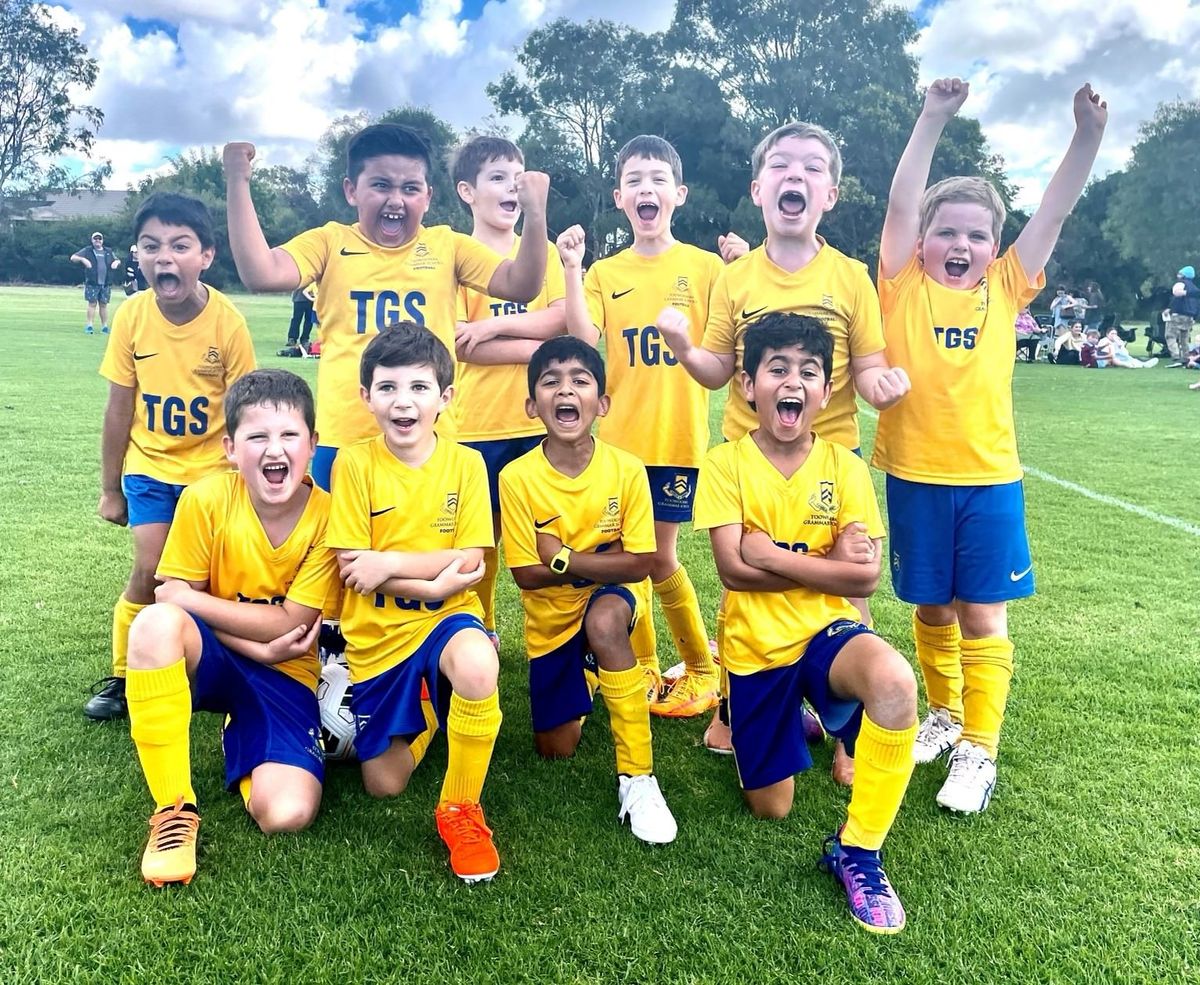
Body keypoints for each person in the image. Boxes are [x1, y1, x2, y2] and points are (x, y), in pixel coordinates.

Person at [873, 77, 1107, 814]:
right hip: (914, 475)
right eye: (947, 232)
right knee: (932, 608)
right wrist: (931, 117)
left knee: (981, 614)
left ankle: (979, 746)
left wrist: (1088, 137)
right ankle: (943, 714)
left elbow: (1054, 210)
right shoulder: (900, 282)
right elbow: (902, 203)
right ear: (922, 242)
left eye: (977, 235)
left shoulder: (1005, 286)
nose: (961, 245)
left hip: (989, 479)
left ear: (995, 246)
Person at [656, 120, 910, 769]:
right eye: (781, 165)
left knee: (849, 588)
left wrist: (882, 386)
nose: (795, 174)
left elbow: (868, 363)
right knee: (746, 590)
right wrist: (684, 347)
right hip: (750, 462)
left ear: (830, 193)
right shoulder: (736, 277)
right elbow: (718, 368)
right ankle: (736, 709)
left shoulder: (850, 277)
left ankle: (850, 730)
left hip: (833, 458)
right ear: (758, 188)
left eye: (812, 167)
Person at [693, 314, 917, 933]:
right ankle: (790, 716)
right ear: (748, 385)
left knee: (895, 681)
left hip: (827, 634)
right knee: (771, 808)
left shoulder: (845, 466)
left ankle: (858, 851)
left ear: (825, 390)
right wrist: (826, 564)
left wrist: (771, 555)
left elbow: (863, 582)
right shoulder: (725, 463)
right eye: (778, 369)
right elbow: (733, 572)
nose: (793, 382)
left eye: (808, 372)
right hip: (756, 649)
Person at [223, 124, 549, 491]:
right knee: (343, 532)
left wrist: (535, 215)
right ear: (351, 190)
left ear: (428, 196)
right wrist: (237, 180)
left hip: (430, 443)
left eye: (410, 188)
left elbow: (521, 285)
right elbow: (262, 273)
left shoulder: (448, 246)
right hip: (346, 441)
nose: (396, 200)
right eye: (381, 185)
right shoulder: (330, 243)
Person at [125, 369, 338, 887]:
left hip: (287, 671)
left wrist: (191, 599)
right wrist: (251, 645)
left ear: (313, 444)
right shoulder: (206, 499)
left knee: (286, 814)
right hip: (216, 657)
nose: (275, 449)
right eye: (257, 436)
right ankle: (174, 810)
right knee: (154, 625)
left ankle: (242, 733)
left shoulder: (329, 515)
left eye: (289, 435)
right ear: (230, 448)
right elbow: (168, 601)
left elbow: (290, 623)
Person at [555, 134, 727, 719]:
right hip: (619, 444)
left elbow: (728, 342)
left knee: (658, 558)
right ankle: (648, 665)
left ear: (679, 194)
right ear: (619, 197)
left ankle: (701, 666)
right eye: (634, 180)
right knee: (630, 556)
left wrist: (740, 265)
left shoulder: (703, 268)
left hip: (676, 440)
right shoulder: (607, 271)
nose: (645, 188)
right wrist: (572, 270)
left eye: (657, 179)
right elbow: (583, 339)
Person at [327, 323, 503, 884]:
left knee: (477, 662)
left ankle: (461, 808)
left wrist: (393, 565)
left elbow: (470, 561)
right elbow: (354, 570)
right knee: (384, 783)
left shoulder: (467, 464)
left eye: (419, 387)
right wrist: (431, 580)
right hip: (378, 638)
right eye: (388, 387)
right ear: (366, 396)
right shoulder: (354, 463)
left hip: (449, 619)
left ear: (445, 397)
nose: (403, 402)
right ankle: (430, 711)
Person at [498, 336, 678, 844]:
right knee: (555, 748)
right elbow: (525, 575)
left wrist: (563, 557)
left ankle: (638, 777)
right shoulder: (516, 477)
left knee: (604, 621)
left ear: (602, 403)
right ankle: (595, 672)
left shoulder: (626, 469)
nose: (565, 391)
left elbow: (642, 563)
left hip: (612, 600)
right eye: (550, 382)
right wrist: (604, 559)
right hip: (551, 621)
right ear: (532, 405)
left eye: (580, 380)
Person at [88, 193, 257, 722]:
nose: (165, 257)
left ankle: (217, 668)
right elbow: (119, 407)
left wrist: (254, 481)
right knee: (152, 569)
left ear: (206, 255)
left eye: (180, 246)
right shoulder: (132, 316)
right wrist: (110, 488)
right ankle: (127, 676)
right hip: (151, 468)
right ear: (137, 255)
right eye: (151, 246)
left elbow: (248, 411)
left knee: (212, 580)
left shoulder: (228, 323)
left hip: (213, 474)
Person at [447, 135, 568, 650]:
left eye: (518, 178)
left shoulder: (541, 254)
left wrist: (493, 328)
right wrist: (536, 347)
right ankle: (483, 627)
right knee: (482, 536)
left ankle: (560, 634)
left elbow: (562, 320)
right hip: (478, 424)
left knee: (549, 536)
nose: (511, 188)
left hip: (541, 421)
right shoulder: (457, 257)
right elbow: (461, 345)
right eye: (497, 178)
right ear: (467, 191)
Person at [71, 230, 122, 334]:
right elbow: (73, 257)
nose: (97, 241)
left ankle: (104, 326)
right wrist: (83, 260)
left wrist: (117, 262)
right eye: (95, 239)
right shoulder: (87, 250)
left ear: (102, 240)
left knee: (104, 305)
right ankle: (89, 326)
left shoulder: (108, 251)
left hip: (106, 283)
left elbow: (117, 260)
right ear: (92, 240)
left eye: (99, 239)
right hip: (92, 282)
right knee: (92, 304)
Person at [1166, 266, 1199, 362]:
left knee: (1170, 335)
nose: (1178, 275)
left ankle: (1176, 356)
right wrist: (1195, 317)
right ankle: (1186, 357)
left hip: (1178, 315)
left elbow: (1176, 292)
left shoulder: (1181, 283)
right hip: (1190, 317)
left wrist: (1185, 293)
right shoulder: (1195, 289)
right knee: (1184, 338)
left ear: (1184, 275)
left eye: (1180, 273)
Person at [286, 283, 317, 350]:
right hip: (299, 298)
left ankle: (305, 338)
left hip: (311, 299)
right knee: (296, 319)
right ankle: (292, 338)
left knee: (309, 320)